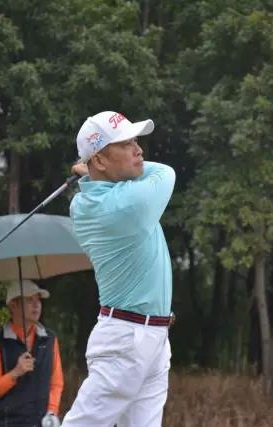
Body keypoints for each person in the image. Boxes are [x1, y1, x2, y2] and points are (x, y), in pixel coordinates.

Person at [62, 111, 176, 426]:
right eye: (126, 144)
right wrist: (88, 169)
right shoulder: (127, 202)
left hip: (152, 334)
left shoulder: (83, 203)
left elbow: (103, 183)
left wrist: (91, 171)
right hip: (127, 339)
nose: (139, 151)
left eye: (135, 141)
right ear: (100, 160)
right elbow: (165, 172)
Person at [0, 280, 64, 427]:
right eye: (29, 300)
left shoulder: (49, 340)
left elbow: (56, 382)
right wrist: (15, 373)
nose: (36, 305)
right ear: (13, 305)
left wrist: (51, 412)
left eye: (38, 300)